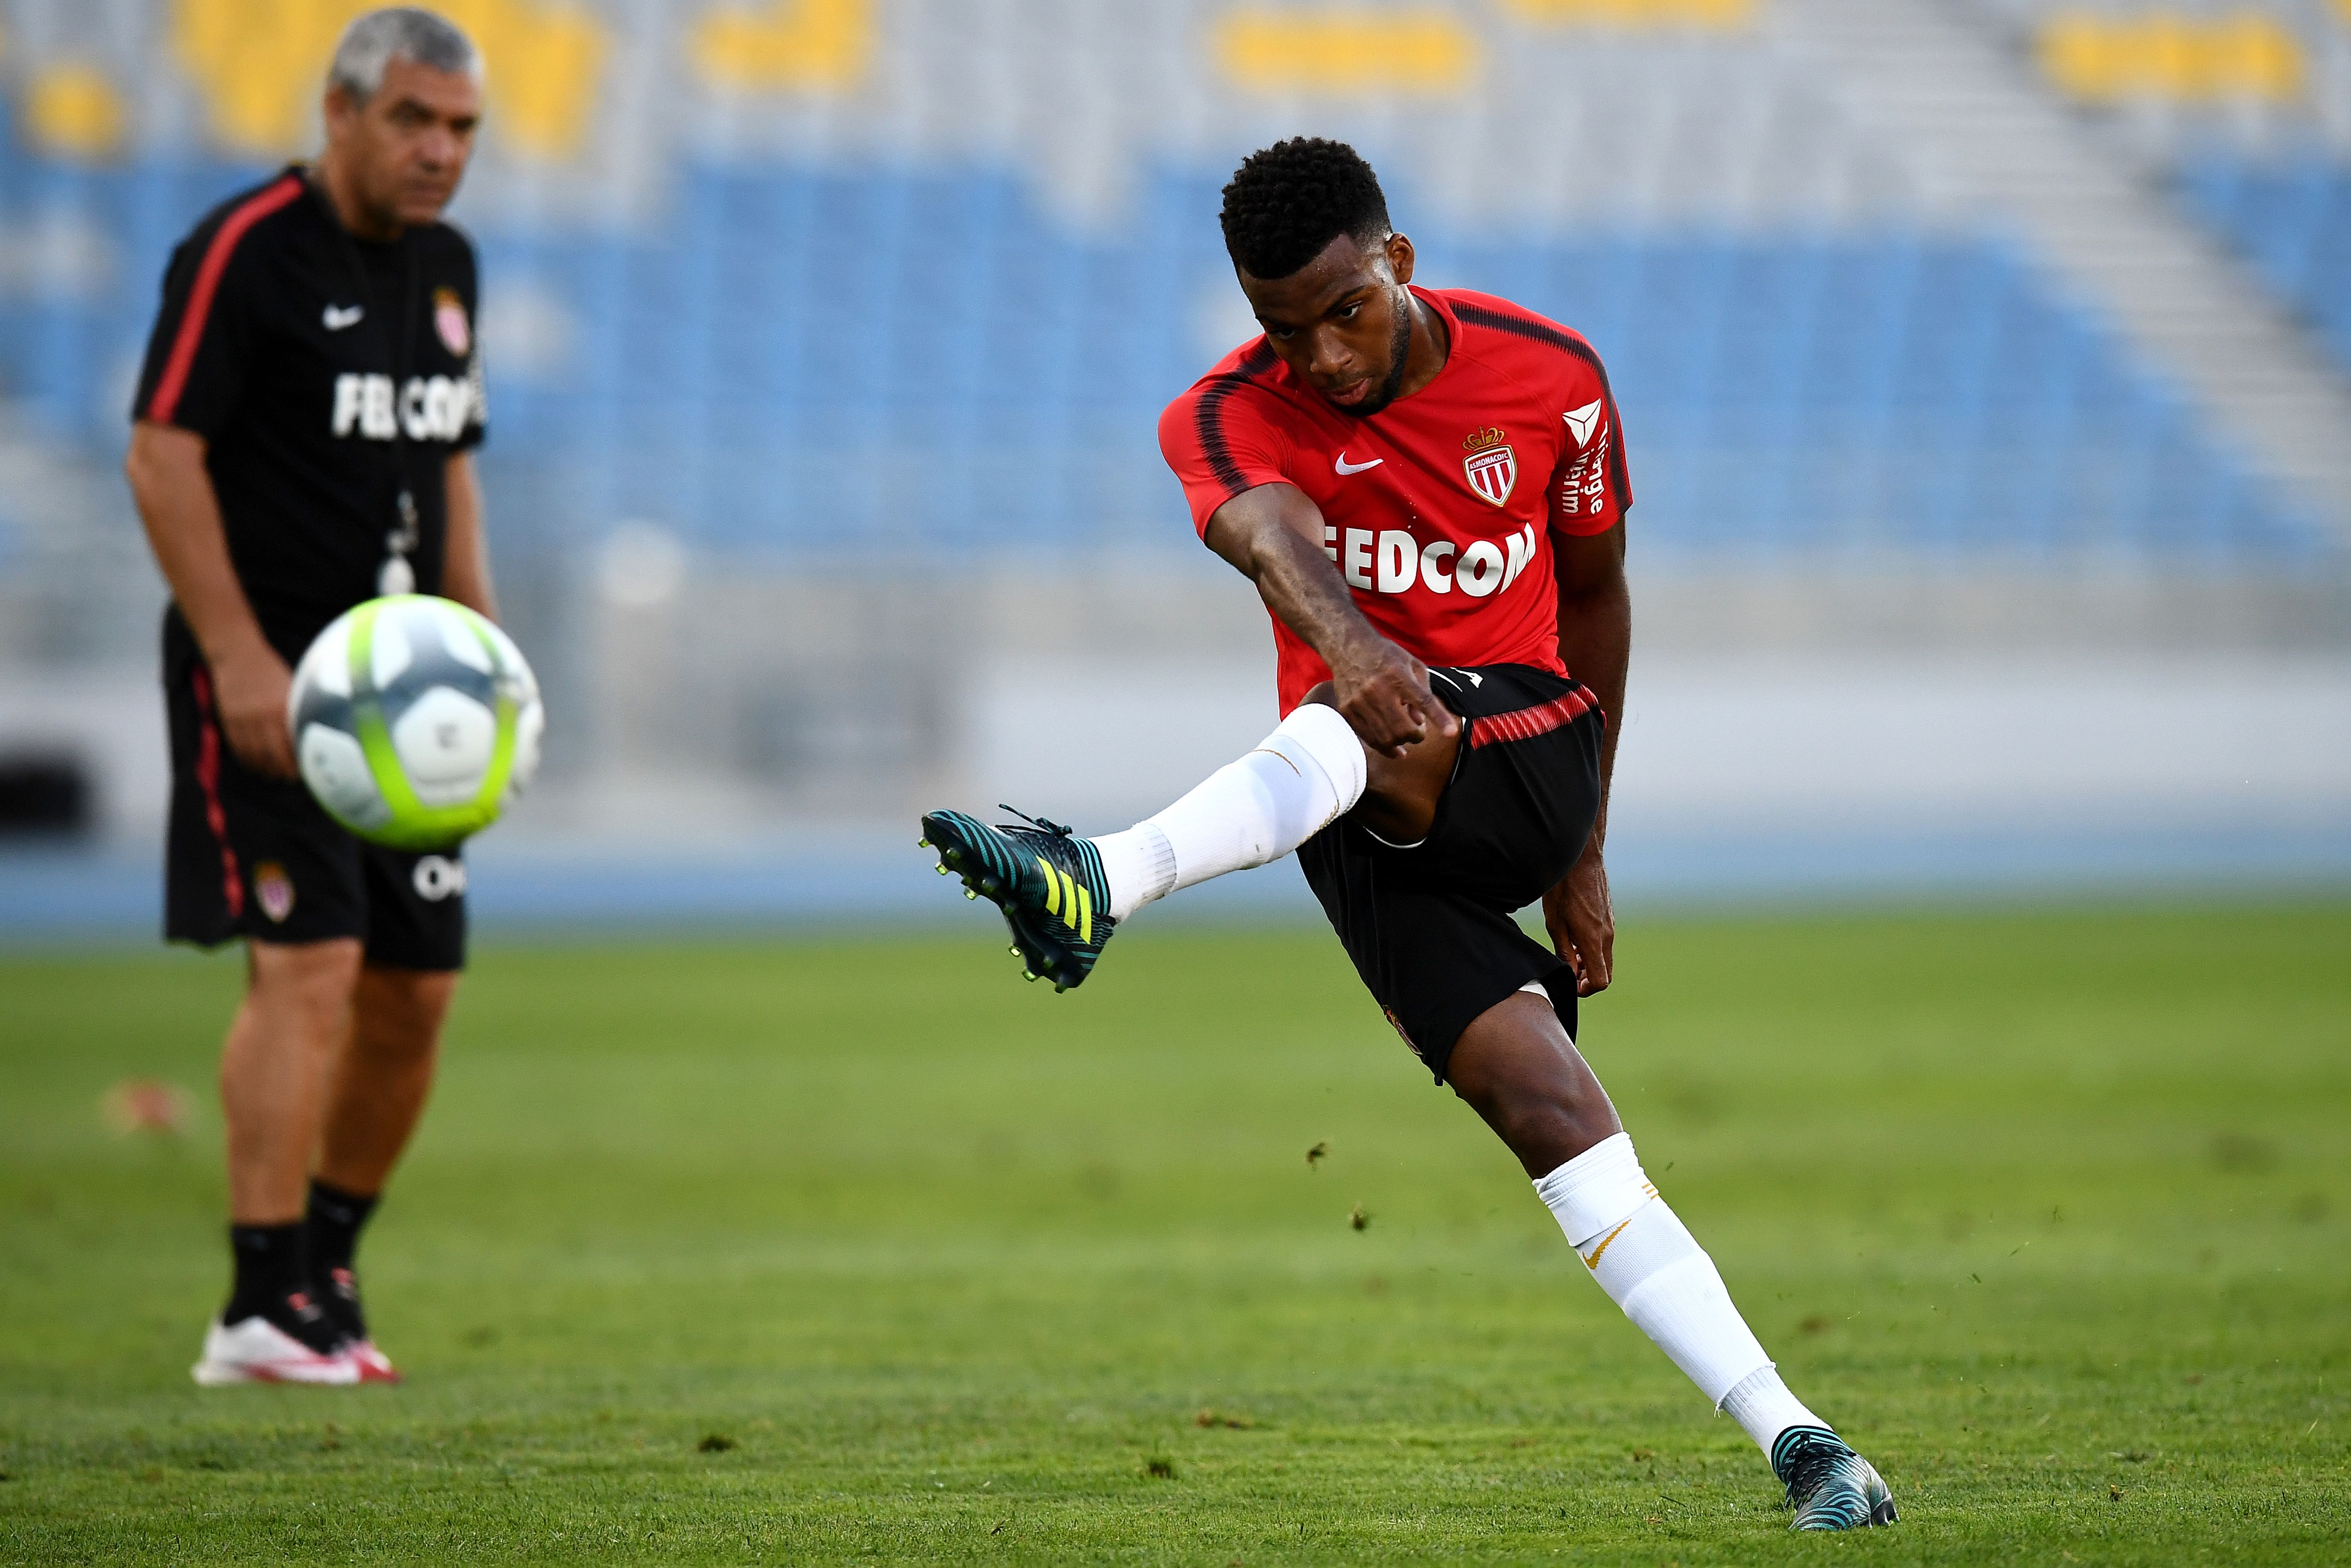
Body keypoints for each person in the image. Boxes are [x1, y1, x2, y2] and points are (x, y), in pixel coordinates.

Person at [921, 138, 1896, 1530]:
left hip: (1530, 750)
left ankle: (1102, 879)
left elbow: (1600, 597)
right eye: (1282, 329)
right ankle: (1807, 1446)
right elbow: (1266, 535)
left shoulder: (1551, 377)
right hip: (1355, 806)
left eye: (1345, 313)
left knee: (1376, 714)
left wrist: (1588, 849)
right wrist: (1356, 643)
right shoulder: (1219, 413)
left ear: (1400, 262)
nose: (1319, 356)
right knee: (1549, 1113)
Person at [124, 7, 493, 1386]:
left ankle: (325, 1276)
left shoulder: (449, 269)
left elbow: (450, 459)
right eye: (413, 120)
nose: (440, 153)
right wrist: (235, 658)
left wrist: (485, 648)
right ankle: (256, 1299)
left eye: (460, 129)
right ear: (340, 114)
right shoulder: (244, 251)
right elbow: (163, 456)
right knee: (313, 964)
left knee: (416, 993)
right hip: (275, 680)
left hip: (417, 693)